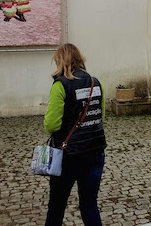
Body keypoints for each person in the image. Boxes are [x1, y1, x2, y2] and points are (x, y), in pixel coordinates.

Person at [44, 43, 106, 226]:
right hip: (95, 152)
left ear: (61, 61)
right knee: (89, 205)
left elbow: (51, 125)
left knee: (57, 206)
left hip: (68, 155)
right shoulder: (96, 82)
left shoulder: (61, 85)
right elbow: (100, 116)